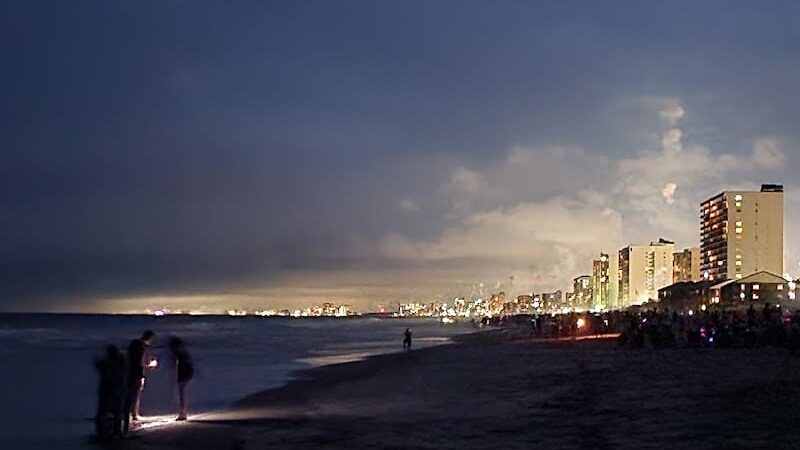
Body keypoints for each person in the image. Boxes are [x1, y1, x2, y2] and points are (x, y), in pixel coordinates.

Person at [124, 330, 155, 432]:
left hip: (129, 371)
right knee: (136, 393)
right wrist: (148, 366)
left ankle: (129, 413)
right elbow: (139, 362)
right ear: (149, 338)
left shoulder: (134, 344)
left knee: (130, 393)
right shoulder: (141, 346)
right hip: (137, 372)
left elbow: (132, 359)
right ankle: (134, 414)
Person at [95, 345, 127, 439]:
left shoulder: (106, 363)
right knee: (116, 411)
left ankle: (103, 432)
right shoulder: (118, 362)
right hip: (115, 389)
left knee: (104, 410)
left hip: (108, 389)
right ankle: (115, 432)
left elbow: (100, 368)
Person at [169, 336, 194, 421]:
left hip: (183, 372)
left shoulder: (178, 353)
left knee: (182, 393)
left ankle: (183, 413)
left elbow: (175, 364)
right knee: (182, 392)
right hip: (186, 371)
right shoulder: (184, 353)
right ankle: (183, 412)